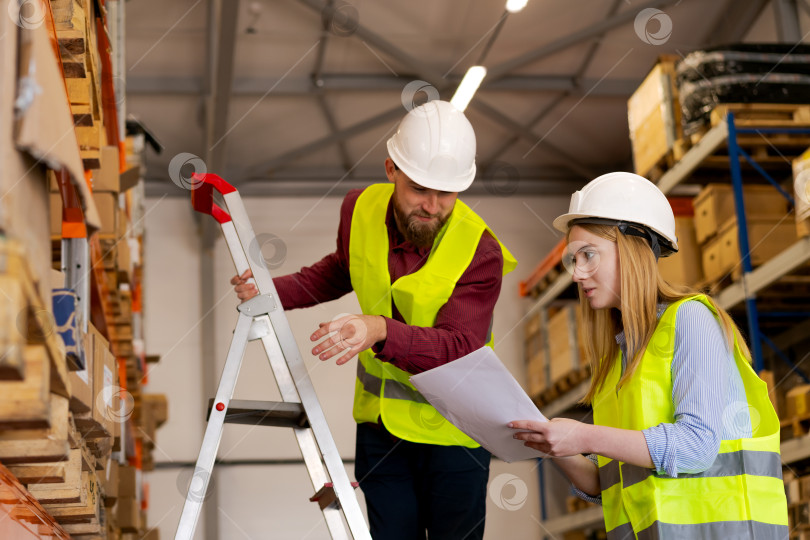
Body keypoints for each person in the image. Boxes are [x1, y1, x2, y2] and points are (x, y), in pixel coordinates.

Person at [232, 100, 517, 540]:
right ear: (391, 170)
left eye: (447, 193)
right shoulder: (360, 208)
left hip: (456, 435)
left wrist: (380, 329)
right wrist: (274, 290)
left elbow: (460, 346)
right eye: (420, 189)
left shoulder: (480, 251)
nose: (433, 206)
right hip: (381, 431)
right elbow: (342, 269)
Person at [509, 172, 788, 539]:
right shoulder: (617, 361)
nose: (576, 274)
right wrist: (551, 444)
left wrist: (584, 436)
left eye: (588, 255)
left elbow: (696, 447)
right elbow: (606, 482)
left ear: (633, 249)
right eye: (573, 259)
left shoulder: (691, 319)